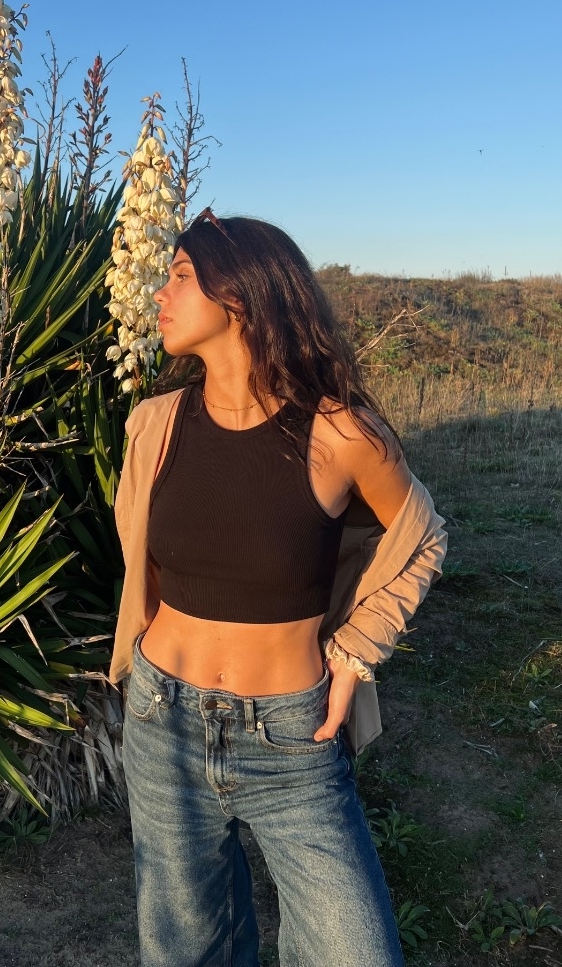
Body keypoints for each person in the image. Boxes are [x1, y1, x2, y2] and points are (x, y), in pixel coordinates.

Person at [108, 210, 447, 967]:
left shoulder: (343, 434)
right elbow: (141, 556)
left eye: (181, 276)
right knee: (186, 953)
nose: (160, 292)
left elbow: (422, 537)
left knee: (357, 953)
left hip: (292, 737)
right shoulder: (154, 426)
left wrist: (357, 653)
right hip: (162, 722)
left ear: (240, 296)